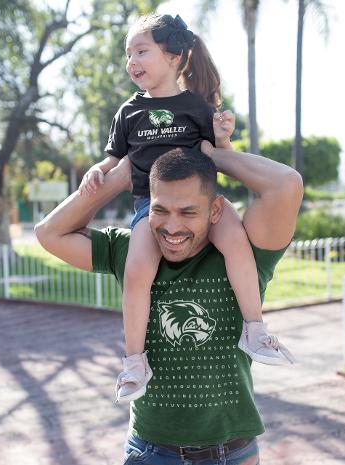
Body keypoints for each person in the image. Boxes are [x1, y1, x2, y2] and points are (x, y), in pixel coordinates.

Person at [35, 143, 303, 465]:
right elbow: (49, 232)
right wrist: (119, 178)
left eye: (188, 212)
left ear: (215, 210)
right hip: (151, 453)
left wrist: (213, 155)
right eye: (160, 210)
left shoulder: (246, 256)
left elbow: (286, 184)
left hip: (233, 454)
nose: (172, 227)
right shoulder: (131, 253)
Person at [78, 13, 292, 404]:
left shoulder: (196, 106)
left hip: (206, 206)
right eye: (128, 53)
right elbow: (113, 160)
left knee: (236, 243)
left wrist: (224, 137)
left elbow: (219, 155)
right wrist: (97, 169)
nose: (132, 61)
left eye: (141, 50)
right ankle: (134, 361)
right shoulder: (128, 112)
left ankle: (255, 329)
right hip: (151, 209)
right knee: (136, 271)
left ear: (174, 56)